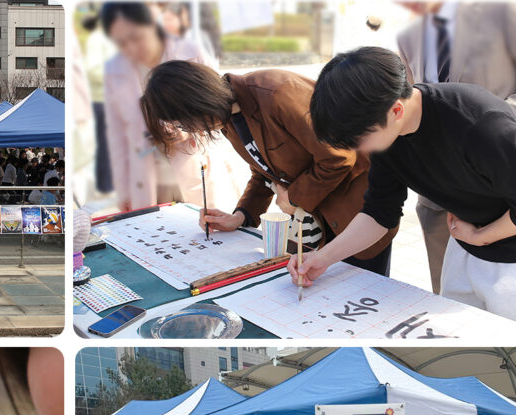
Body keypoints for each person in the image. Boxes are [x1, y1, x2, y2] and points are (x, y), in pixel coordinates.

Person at [298, 47, 516, 330]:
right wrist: (323, 258)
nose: (359, 150)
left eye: (359, 140)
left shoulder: (481, 125)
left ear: (396, 110)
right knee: (460, 332)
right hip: (469, 236)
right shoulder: (386, 132)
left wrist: (482, 236)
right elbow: (379, 213)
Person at [141, 60, 394, 274]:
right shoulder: (228, 118)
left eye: (184, 123)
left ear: (196, 104)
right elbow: (263, 171)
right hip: (316, 220)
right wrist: (240, 216)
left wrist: (294, 198)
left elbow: (338, 156)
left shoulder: (276, 93)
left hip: (358, 213)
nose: (191, 131)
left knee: (361, 303)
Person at [396, 1, 516, 293]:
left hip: (503, 188)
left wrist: (495, 122)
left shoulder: (505, 14)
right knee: (446, 298)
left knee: (512, 302)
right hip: (438, 198)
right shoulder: (407, 36)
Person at [101, 3, 242, 212]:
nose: (131, 47)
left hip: (196, 158)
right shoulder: (115, 71)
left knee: (211, 224)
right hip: (147, 164)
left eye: (136, 36)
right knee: (153, 229)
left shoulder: (191, 51)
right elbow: (117, 134)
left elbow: (218, 104)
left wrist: (189, 129)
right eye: (121, 41)